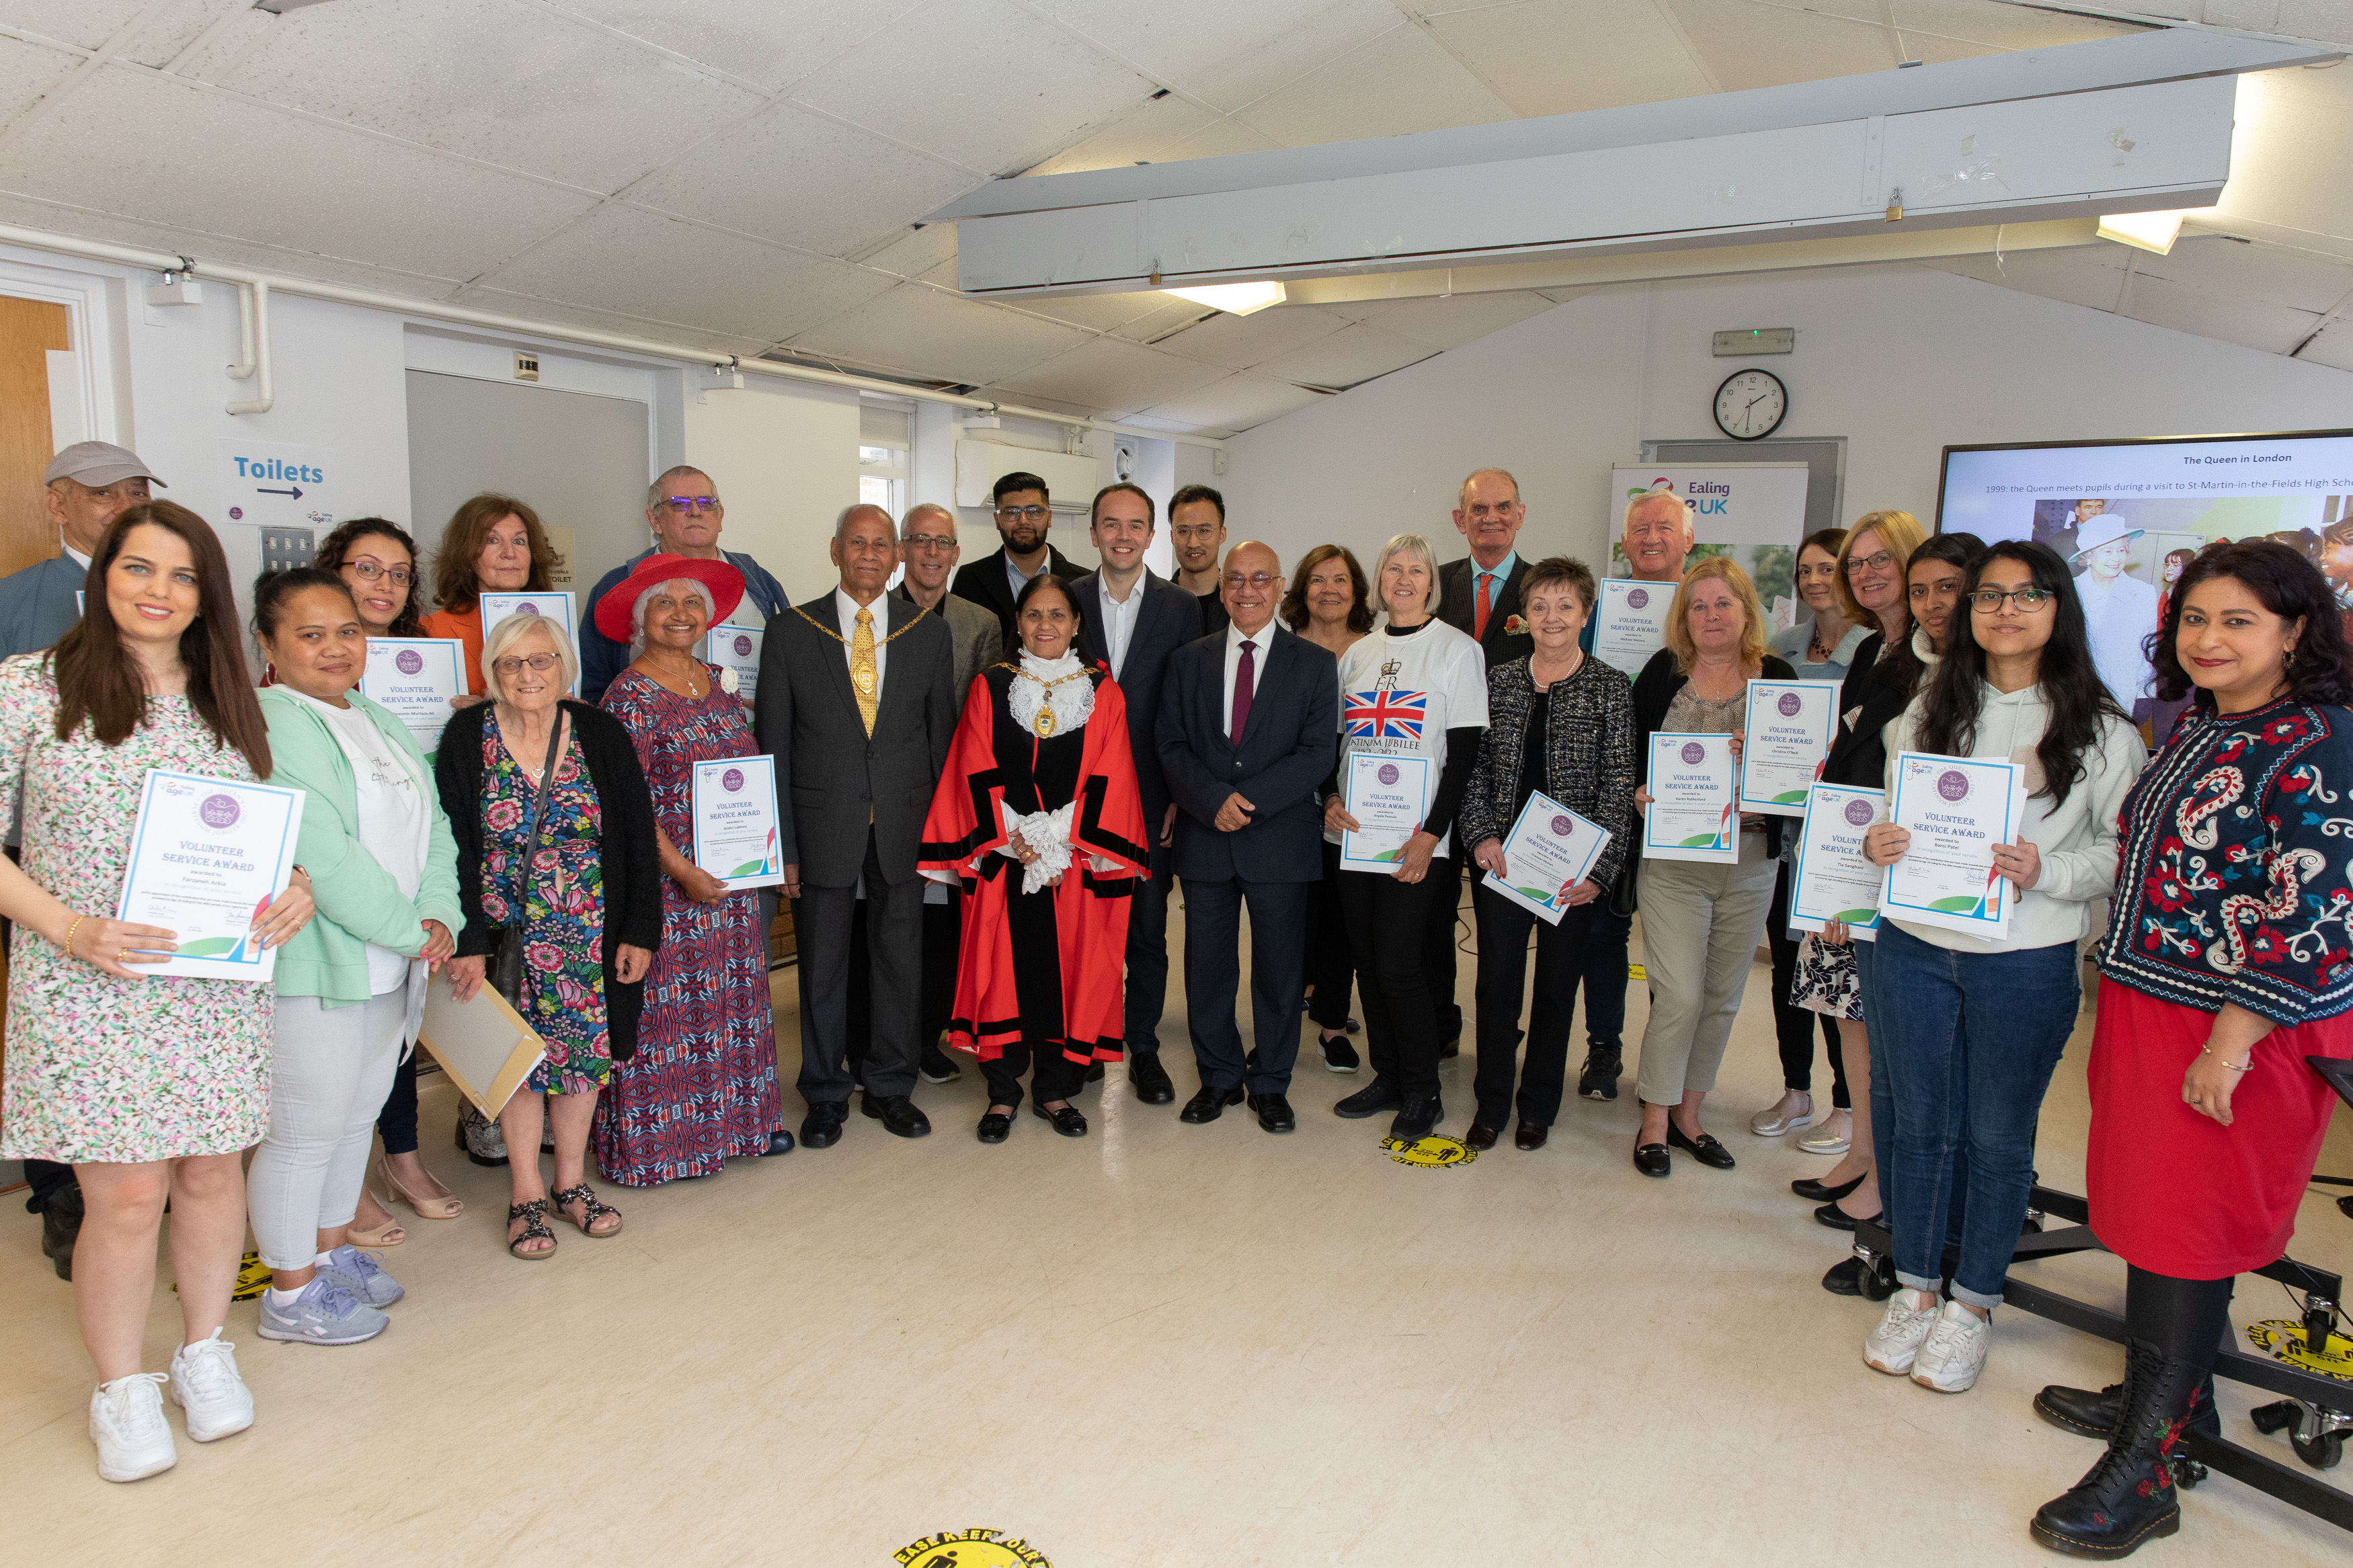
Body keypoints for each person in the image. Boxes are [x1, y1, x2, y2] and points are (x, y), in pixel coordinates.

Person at [2029, 540, 2353, 1555]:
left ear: (2297, 630)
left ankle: (2148, 1471)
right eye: (2196, 619)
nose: (2208, 639)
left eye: (2239, 621)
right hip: (2148, 1006)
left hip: (2233, 1031)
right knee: (2151, 1217)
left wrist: (2230, 1043)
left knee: (2187, 1231)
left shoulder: (2317, 742)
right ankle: (2176, 1406)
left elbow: (2308, 912)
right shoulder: (2207, 725)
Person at [0, 501, 313, 1481]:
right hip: (88, 982)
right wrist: (70, 927)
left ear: (205, 596)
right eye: (139, 569)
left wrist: (293, 888)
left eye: (182, 577)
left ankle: (203, 1349)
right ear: (103, 576)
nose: (158, 592)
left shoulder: (233, 698)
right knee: (128, 1197)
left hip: (212, 987)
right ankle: (121, 1386)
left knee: (214, 1175)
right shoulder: (30, 689)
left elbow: (262, 835)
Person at [1858, 541, 2143, 1395]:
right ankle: (1914, 1287)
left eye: (2026, 596)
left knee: (1994, 1135)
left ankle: (1972, 1302)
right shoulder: (1921, 714)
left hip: (2023, 958)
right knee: (1916, 1124)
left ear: (2059, 608)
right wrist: (1878, 837)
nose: (2004, 611)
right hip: (1911, 944)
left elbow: (2110, 856)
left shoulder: (2103, 731)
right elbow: (1884, 807)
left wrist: (2041, 871)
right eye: (1989, 596)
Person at [249, 569, 460, 1344]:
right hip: (320, 965)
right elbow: (324, 855)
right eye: (310, 633)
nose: (335, 648)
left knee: (352, 1122)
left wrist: (440, 911)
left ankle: (330, 1253)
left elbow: (433, 823)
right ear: (268, 644)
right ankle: (289, 1291)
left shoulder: (374, 715)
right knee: (304, 1130)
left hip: (394, 959)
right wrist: (412, 930)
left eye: (348, 630)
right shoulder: (272, 718)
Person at [436, 614, 661, 1259]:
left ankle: (571, 1184)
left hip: (590, 930)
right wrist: (470, 938)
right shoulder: (465, 738)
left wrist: (640, 927)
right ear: (493, 673)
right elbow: (453, 846)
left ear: (564, 667)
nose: (527, 675)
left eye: (540, 661)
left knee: (583, 1062)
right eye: (511, 663)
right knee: (519, 1065)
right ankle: (526, 1195)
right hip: (505, 936)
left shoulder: (598, 733)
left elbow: (636, 839)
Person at [2, 440, 165, 1280]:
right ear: (57, 502)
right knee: (65, 1051)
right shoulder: (16, 605)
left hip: (167, 865)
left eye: (135, 489)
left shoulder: (182, 619)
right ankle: (62, 1199)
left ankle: (145, 1191)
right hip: (48, 874)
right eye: (103, 492)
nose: (121, 502)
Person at [1792, 532, 1979, 1236]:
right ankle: (1864, 1150)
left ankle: (1884, 1173)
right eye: (1856, 563)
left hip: (1898, 858)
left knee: (1881, 1021)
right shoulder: (1873, 649)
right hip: (1849, 842)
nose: (1866, 573)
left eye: (1881, 560)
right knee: (1846, 1010)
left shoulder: (1949, 660)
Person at [918, 575, 1148, 1141]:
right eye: (1034, 614)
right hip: (1006, 857)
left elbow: (1111, 772)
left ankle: (1055, 1089)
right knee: (1000, 970)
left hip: (1071, 858)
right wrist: (1015, 832)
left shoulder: (1104, 690)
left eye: (1058, 614)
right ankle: (1001, 1093)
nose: (1046, 625)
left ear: (1075, 623)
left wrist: (1056, 833)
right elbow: (973, 762)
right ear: (1017, 623)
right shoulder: (991, 686)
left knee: (1069, 969)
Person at [758, 504, 956, 1148]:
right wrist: (782, 846)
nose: (869, 555)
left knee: (900, 960)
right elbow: (775, 748)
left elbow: (940, 741)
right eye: (856, 543)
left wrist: (945, 838)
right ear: (835, 550)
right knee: (821, 966)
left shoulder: (926, 632)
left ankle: (893, 1085)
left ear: (896, 556)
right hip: (822, 825)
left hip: (904, 824)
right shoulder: (791, 631)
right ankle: (823, 1089)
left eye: (880, 545)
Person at [593, 553, 789, 1182]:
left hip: (732, 884)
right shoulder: (627, 696)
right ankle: (664, 1149)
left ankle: (739, 1128)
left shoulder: (719, 679)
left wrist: (765, 852)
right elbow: (628, 806)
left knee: (733, 1007)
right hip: (668, 891)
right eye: (664, 602)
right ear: (639, 619)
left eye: (691, 603)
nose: (680, 613)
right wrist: (681, 870)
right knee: (669, 1019)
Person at [309, 518, 465, 1243]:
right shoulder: (297, 690)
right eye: (367, 568)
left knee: (393, 1045)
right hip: (334, 908)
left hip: (410, 882)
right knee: (334, 1069)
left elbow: (430, 808)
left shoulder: (414, 667)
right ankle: (344, 1194)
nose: (383, 584)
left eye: (398, 573)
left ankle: (398, 1157)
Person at [1458, 556, 1636, 1151]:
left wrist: (1600, 872)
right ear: (1524, 615)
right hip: (1504, 862)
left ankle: (1538, 1106)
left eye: (1565, 606)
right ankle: (1491, 1103)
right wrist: (1481, 835)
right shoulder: (1500, 681)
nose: (1552, 617)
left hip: (1574, 873)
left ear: (1586, 614)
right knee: (1496, 987)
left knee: (1558, 990)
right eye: (1540, 606)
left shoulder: (1611, 686)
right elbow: (1475, 771)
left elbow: (1619, 785)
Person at [1157, 542, 1337, 1132]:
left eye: (1260, 578)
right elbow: (1171, 744)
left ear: (1280, 586)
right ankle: (1219, 1077)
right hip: (1206, 837)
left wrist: (1248, 803)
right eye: (1235, 578)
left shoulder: (1312, 663)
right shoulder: (1189, 660)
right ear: (1223, 585)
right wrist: (1212, 801)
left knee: (1280, 971)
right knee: (1207, 967)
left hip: (1279, 839)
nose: (1246, 588)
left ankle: (1271, 1082)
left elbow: (1316, 753)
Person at [1624, 559, 1794, 1177]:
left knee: (1723, 997)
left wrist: (1774, 768)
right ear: (1683, 617)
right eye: (1698, 606)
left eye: (1724, 603)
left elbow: (1805, 773)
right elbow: (1630, 755)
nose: (1711, 615)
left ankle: (1690, 1114)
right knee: (1680, 994)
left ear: (1748, 611)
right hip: (1674, 859)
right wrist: (1638, 791)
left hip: (1751, 862)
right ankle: (1654, 1118)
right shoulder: (1661, 673)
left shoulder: (1777, 678)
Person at [1323, 534, 1489, 1139]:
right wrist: (1332, 798)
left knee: (1399, 963)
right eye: (1393, 566)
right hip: (1358, 837)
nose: (1404, 577)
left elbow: (1465, 756)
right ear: (1380, 579)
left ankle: (1424, 1089)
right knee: (1367, 961)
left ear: (1430, 584)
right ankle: (1387, 1074)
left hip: (1419, 840)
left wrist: (1432, 834)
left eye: (1416, 569)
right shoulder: (1358, 654)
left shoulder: (1456, 650)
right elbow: (1336, 744)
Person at [1072, 483, 1202, 1106]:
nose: (1123, 536)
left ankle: (1143, 1046)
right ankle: (1089, 1040)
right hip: (1078, 801)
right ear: (1093, 533)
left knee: (1147, 928)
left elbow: (1191, 710)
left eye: (1136, 526)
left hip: (1153, 799)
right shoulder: (1064, 601)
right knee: (1087, 925)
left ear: (1152, 536)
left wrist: (1180, 795)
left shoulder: (1182, 608)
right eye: (1111, 525)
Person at [1576, 487, 1696, 1102]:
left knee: (1674, 948)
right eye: (1640, 528)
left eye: (1665, 526)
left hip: (1686, 802)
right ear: (1624, 542)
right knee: (1607, 929)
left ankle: (1667, 1067)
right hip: (1610, 791)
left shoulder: (1708, 608)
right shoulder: (1598, 609)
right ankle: (1605, 1045)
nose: (1652, 537)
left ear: (1689, 539)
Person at [877, 501, 1002, 1087]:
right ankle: (877, 1038)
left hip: (957, 799)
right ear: (902, 549)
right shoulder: (874, 616)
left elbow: (988, 715)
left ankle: (929, 1036)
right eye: (920, 540)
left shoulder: (980, 623)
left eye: (943, 542)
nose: (932, 552)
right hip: (888, 795)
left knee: (944, 929)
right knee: (881, 924)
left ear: (956, 553)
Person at [1751, 526, 1858, 1141]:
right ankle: (1796, 1091)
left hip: (1843, 839)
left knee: (1836, 970)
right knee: (1788, 966)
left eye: (1829, 568)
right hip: (1784, 833)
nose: (1817, 580)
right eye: (1807, 570)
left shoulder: (1877, 651)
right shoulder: (1782, 648)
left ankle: (1846, 1105)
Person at [1429, 468, 1535, 1058]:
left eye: (1502, 508)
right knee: (1436, 917)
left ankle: (1500, 1035)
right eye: (1478, 509)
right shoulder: (1433, 585)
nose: (1490, 518)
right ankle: (1442, 1026)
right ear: (1459, 519)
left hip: (1510, 784)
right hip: (1441, 774)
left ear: (1520, 515)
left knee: (1501, 929)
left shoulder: (1540, 588)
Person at [577, 466, 789, 706]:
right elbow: (592, 685)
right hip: (656, 735)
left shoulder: (758, 580)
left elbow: (788, 665)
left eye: (707, 502)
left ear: (720, 517)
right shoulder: (618, 586)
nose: (696, 512)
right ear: (654, 519)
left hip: (753, 737)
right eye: (679, 503)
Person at [1281, 544, 1373, 1071]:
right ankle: (1284, 1016)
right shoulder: (1284, 649)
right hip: (1294, 800)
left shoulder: (1376, 649)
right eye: (1317, 580)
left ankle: (1333, 1024)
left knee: (1341, 918)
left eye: (1340, 579)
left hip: (1354, 803)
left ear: (1357, 590)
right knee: (1294, 918)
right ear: (1301, 591)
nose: (1329, 589)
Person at [420, 493, 559, 698]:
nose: (509, 553)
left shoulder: (559, 626)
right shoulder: (429, 631)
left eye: (519, 541)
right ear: (466, 555)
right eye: (492, 540)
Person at [951, 472, 1078, 648]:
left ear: (1049, 518)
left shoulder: (1081, 583)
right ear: (997, 520)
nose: (1023, 521)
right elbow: (960, 650)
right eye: (1011, 512)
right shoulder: (970, 581)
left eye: (1034, 511)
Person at [2071, 511, 2158, 714]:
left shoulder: (2143, 593)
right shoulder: (2071, 592)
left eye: (2121, 550)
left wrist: (2147, 694)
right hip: (2077, 694)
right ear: (2088, 556)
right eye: (2107, 551)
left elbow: (2149, 647)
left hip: (2126, 696)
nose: (2116, 558)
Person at [1170, 483, 1231, 634]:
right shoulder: (1156, 605)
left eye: (1204, 530)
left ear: (1222, 535)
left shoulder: (1237, 604)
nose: (1193, 543)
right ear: (1172, 537)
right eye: (1183, 531)